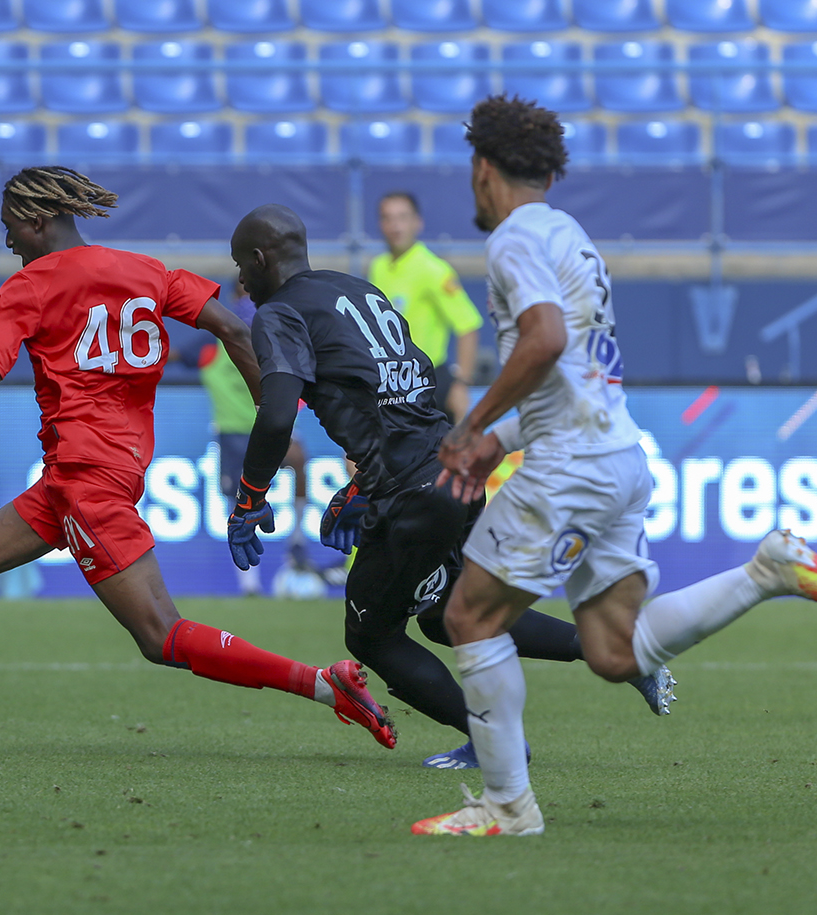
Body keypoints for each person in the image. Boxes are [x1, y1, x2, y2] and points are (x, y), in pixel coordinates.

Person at [0, 166, 396, 751]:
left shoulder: (29, 286)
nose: (8, 240)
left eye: (11, 225)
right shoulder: (146, 271)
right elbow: (234, 329)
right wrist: (273, 416)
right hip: (91, 472)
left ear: (37, 219)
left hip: (86, 479)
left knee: (160, 635)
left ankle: (323, 683)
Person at [411, 96, 817, 836]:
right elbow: (580, 369)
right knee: (613, 650)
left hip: (572, 468)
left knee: (467, 614)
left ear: (482, 169)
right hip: (617, 454)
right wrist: (507, 433)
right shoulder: (572, 236)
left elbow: (545, 340)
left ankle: (508, 805)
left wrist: (474, 424)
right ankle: (767, 572)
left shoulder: (514, 239)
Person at [223, 203, 675, 772]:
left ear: (261, 259)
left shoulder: (279, 313)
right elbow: (405, 391)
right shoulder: (359, 291)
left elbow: (276, 412)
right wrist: (365, 481)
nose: (240, 279)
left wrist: (250, 495)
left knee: (372, 637)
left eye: (242, 264)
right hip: (452, 469)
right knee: (449, 612)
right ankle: (622, 655)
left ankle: (493, 741)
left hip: (412, 491)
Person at [170, 278, 313, 596]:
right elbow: (174, 356)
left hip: (270, 428)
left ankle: (298, 541)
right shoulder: (213, 345)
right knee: (239, 506)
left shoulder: (277, 337)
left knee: (299, 460)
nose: (248, 300)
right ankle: (249, 582)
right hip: (233, 435)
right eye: (242, 295)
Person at [369, 192, 483, 423]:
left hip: (425, 380)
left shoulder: (433, 269)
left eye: (402, 217)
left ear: (417, 223)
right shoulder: (378, 267)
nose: (395, 226)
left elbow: (468, 325)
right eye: (388, 218)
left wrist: (461, 383)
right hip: (389, 380)